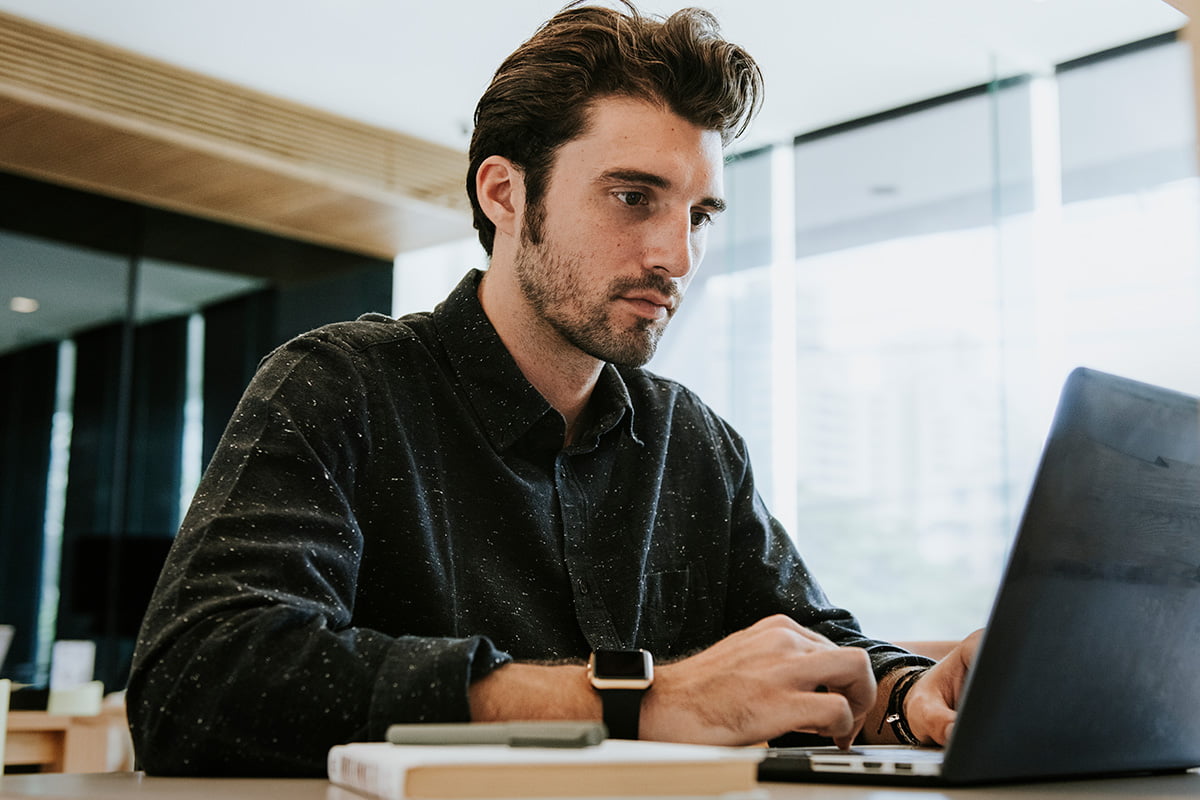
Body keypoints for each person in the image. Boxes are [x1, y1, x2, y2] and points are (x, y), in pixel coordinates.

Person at [127, 0, 980, 777]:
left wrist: (911, 693)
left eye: (699, 215)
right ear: (505, 193)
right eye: (633, 196)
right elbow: (199, 680)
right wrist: (635, 701)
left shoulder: (694, 443)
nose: (677, 257)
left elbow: (811, 641)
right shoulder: (340, 386)